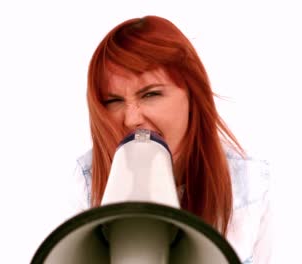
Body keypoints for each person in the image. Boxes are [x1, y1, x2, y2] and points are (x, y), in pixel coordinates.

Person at [71, 15, 272, 263]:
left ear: (192, 96)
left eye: (151, 94)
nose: (131, 119)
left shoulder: (252, 183)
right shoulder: (83, 182)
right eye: (113, 101)